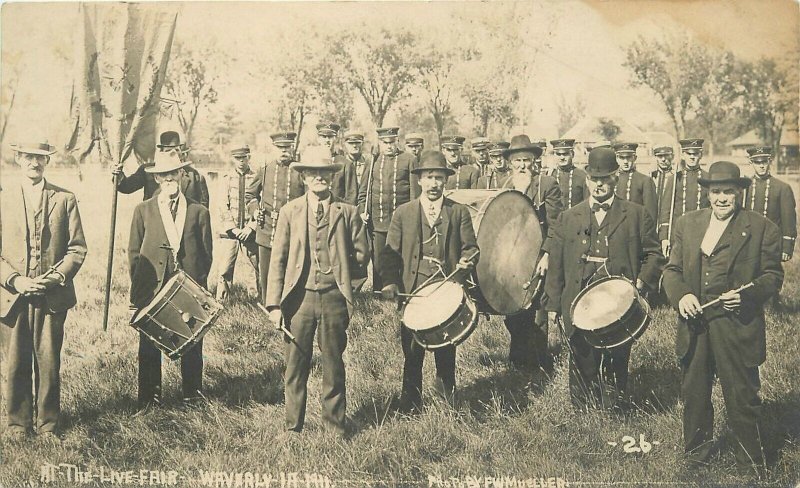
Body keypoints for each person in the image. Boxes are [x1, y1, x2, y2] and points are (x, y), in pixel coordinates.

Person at [662, 161, 783, 473]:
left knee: (742, 396)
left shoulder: (762, 227)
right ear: (707, 193)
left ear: (739, 192)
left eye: (728, 191)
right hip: (695, 325)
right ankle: (696, 459)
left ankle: (751, 465)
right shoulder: (687, 224)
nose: (722, 198)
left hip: (737, 326)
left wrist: (744, 296)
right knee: (695, 394)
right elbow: (672, 271)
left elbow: (772, 276)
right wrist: (683, 296)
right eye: (716, 192)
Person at [545, 147, 663, 410]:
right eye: (594, 179)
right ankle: (583, 416)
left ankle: (615, 411)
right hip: (577, 300)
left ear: (615, 179)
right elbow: (556, 265)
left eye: (605, 178)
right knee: (581, 358)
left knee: (617, 357)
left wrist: (641, 283)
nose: (599, 184)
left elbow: (654, 255)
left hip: (618, 304)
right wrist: (553, 305)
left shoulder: (636, 215)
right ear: (586, 180)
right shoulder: (568, 217)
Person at [265, 145, 369, 436]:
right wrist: (274, 305)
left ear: (332, 177)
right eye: (313, 173)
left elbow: (362, 257)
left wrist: (346, 286)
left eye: (324, 173)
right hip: (298, 301)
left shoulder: (348, 212)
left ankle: (334, 427)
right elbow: (278, 260)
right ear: (304, 177)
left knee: (333, 364)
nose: (319, 178)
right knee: (295, 365)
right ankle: (292, 428)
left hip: (334, 300)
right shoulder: (290, 212)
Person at [0, 141, 87, 440]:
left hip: (52, 297)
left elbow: (77, 250)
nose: (34, 163)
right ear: (18, 158)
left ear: (46, 161)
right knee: (16, 362)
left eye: (39, 157)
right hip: (13, 297)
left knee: (49, 363)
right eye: (28, 156)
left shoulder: (65, 199)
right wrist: (15, 280)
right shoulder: (3, 197)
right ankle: (18, 425)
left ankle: (48, 425)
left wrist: (52, 279)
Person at [380, 150, 478, 413]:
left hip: (447, 289)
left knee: (446, 347)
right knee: (412, 351)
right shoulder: (403, 213)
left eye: (439, 178)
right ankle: (410, 403)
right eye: (429, 177)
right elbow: (389, 254)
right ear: (420, 180)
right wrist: (391, 283)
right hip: (414, 291)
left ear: (446, 181)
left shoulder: (458, 212)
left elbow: (471, 247)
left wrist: (467, 261)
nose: (434, 183)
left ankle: (447, 401)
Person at [128, 150, 213, 409]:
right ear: (156, 178)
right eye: (163, 175)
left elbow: (206, 255)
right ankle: (149, 400)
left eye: (173, 173)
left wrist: (195, 287)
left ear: (181, 174)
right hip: (152, 288)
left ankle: (192, 396)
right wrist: (142, 291)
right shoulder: (143, 210)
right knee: (150, 343)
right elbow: (134, 253)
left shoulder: (199, 212)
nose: (169, 179)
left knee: (191, 340)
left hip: (186, 287)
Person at [501, 135, 562, 373]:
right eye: (517, 161)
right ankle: (517, 361)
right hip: (513, 256)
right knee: (514, 307)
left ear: (535, 161)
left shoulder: (546, 185)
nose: (522, 165)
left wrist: (547, 254)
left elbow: (557, 224)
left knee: (537, 308)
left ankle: (539, 362)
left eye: (527, 160)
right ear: (510, 163)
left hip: (539, 255)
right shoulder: (506, 185)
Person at [357, 127, 419, 292]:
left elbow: (415, 194)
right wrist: (362, 210)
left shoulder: (409, 159)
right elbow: (363, 191)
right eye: (385, 143)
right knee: (379, 260)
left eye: (392, 142)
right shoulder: (372, 161)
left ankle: (403, 294)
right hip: (378, 222)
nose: (389, 146)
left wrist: (414, 219)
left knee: (402, 258)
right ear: (379, 143)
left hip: (402, 223)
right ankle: (380, 294)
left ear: (397, 141)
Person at [246, 132, 305, 302]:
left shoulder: (299, 171)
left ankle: (289, 304)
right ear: (274, 149)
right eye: (280, 147)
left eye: (287, 147)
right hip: (268, 228)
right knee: (267, 270)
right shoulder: (265, 170)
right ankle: (269, 306)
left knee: (290, 267)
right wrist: (255, 211)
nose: (284, 151)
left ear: (292, 148)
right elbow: (250, 195)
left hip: (292, 228)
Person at [114, 130, 210, 208]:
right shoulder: (147, 171)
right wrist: (118, 174)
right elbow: (126, 187)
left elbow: (202, 212)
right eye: (168, 151)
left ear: (181, 152)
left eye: (176, 150)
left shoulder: (195, 176)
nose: (173, 155)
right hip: (155, 226)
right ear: (161, 152)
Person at [215, 142, 260, 301]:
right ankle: (222, 300)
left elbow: (259, 204)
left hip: (249, 231)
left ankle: (254, 299)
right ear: (233, 159)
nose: (241, 161)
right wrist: (232, 229)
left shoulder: (256, 177)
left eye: (244, 157)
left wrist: (251, 227)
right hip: (230, 232)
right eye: (238, 158)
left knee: (253, 266)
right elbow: (222, 205)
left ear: (249, 157)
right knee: (225, 266)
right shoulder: (226, 178)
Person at [658, 138, 710, 257]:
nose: (692, 157)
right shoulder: (675, 179)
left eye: (695, 154)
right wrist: (664, 237)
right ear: (682, 155)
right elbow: (666, 210)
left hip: (702, 232)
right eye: (688, 154)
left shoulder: (708, 178)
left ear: (700, 155)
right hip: (678, 234)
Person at [743, 146, 796, 262]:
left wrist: (787, 247)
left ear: (769, 162)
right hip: (747, 242)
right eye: (757, 162)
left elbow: (789, 219)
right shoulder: (745, 187)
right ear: (751, 163)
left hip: (771, 243)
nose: (761, 165)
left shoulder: (782, 188)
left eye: (764, 162)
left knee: (769, 276)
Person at [614, 142, 658, 221]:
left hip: (636, 227)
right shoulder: (612, 180)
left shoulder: (645, 181)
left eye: (628, 157)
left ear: (635, 158)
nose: (625, 161)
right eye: (622, 158)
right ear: (617, 159)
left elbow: (650, 213)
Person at [549, 138, 589, 210]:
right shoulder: (549, 175)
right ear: (554, 156)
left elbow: (587, 203)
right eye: (558, 154)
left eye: (565, 154)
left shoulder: (582, 176)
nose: (562, 157)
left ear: (572, 154)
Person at [650, 146, 675, 220]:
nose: (663, 159)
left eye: (666, 156)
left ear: (672, 157)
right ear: (655, 158)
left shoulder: (676, 177)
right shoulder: (650, 176)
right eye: (660, 156)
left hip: (670, 218)